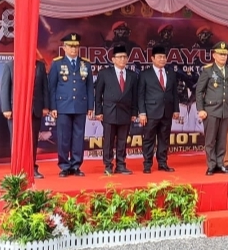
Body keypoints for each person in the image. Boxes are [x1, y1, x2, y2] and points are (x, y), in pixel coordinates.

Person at [48, 33, 93, 178]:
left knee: (79, 137)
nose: (73, 50)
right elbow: (52, 87)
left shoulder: (85, 64)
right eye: (70, 46)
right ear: (64, 47)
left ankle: (76, 165)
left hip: (80, 105)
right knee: (63, 137)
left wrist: (90, 107)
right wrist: (53, 107)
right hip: (63, 106)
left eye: (76, 47)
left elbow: (89, 87)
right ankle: (64, 165)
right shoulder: (57, 63)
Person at [1, 57, 49, 179]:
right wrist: (6, 108)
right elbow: (5, 88)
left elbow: (45, 87)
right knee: (16, 140)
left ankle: (32, 168)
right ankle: (17, 169)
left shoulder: (40, 66)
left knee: (33, 141)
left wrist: (46, 106)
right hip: (16, 110)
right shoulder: (10, 65)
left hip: (35, 110)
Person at [196, 41, 228, 175]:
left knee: (222, 140)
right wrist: (200, 109)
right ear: (214, 55)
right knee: (210, 140)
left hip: (225, 110)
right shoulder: (208, 70)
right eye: (220, 54)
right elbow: (199, 91)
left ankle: (220, 164)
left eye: (225, 54)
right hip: (211, 110)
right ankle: (211, 165)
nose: (223, 57)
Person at [94, 44, 138, 175]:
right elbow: (98, 94)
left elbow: (135, 95)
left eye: (124, 57)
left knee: (123, 140)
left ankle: (121, 164)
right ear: (113, 59)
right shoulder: (104, 74)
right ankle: (108, 165)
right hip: (109, 111)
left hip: (126, 112)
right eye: (119, 57)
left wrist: (134, 112)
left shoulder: (132, 75)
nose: (122, 60)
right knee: (108, 140)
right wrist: (99, 111)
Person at [137, 44, 179, 174]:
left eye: (164, 57)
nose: (162, 59)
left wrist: (176, 109)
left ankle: (162, 163)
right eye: (159, 57)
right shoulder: (145, 74)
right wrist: (142, 112)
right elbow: (140, 94)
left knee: (164, 139)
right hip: (151, 112)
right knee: (149, 138)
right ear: (152, 58)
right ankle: (147, 164)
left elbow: (174, 93)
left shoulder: (170, 73)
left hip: (167, 111)